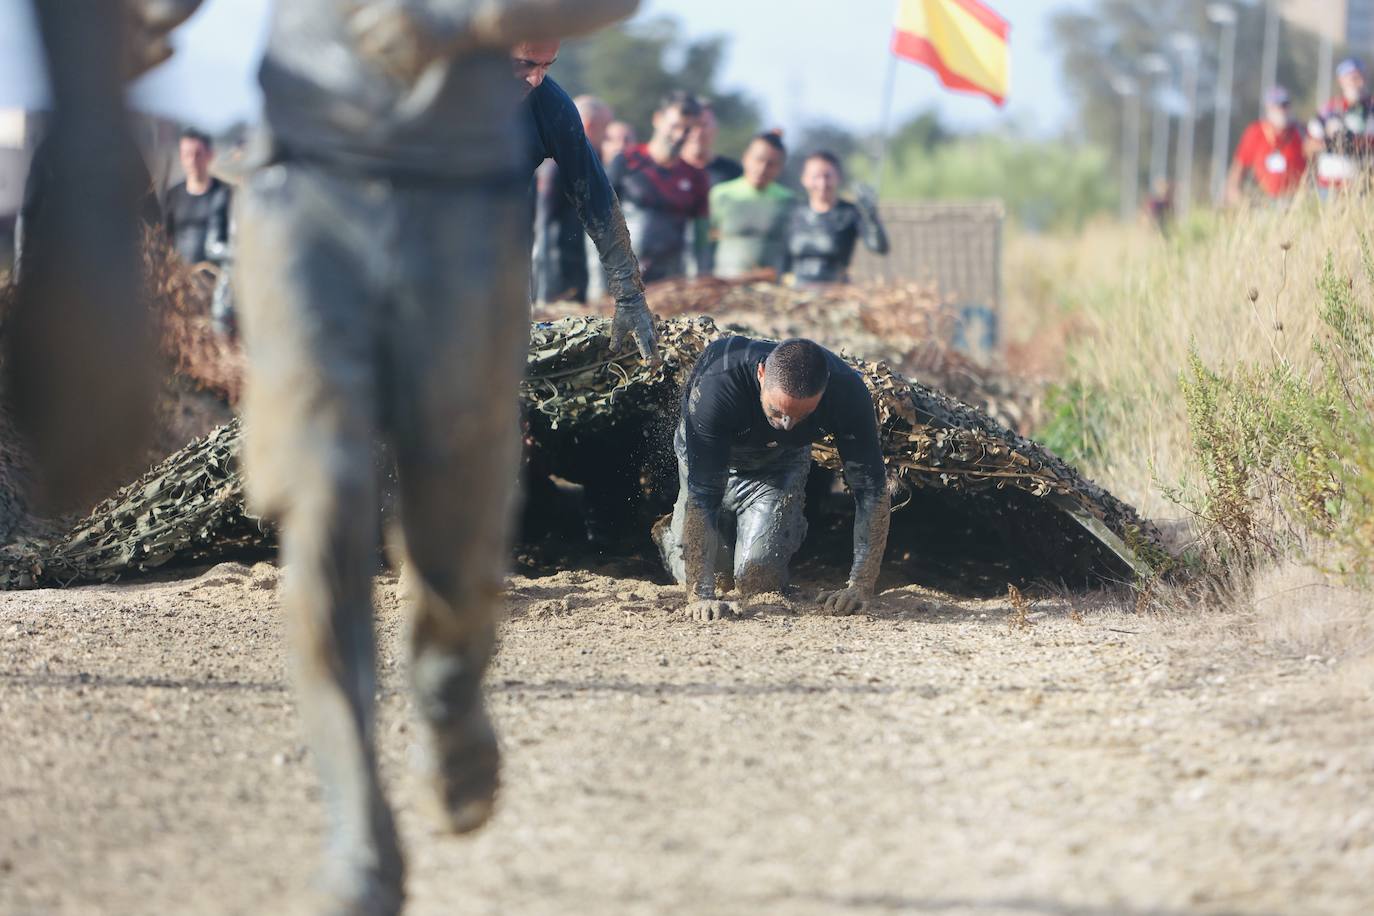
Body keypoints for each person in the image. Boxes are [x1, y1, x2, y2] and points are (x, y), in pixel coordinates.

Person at [234, 3, 640, 914]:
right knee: (322, 499)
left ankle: (451, 685)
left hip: (464, 214)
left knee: (454, 533)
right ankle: (358, 839)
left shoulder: (548, 105)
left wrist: (461, 17)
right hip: (302, 183)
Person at [654, 336, 891, 622]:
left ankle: (789, 527)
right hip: (708, 457)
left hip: (778, 466)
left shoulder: (847, 391)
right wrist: (700, 594)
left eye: (801, 415)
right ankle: (672, 537)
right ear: (761, 373)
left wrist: (861, 585)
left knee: (757, 579)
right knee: (715, 578)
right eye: (777, 411)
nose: (786, 425)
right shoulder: (718, 382)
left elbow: (872, 490)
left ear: (825, 388)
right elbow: (703, 494)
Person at [519, 42, 653, 348]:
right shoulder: (439, 87)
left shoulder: (550, 104)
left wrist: (629, 295)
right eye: (525, 65)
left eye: (547, 66)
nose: (536, 78)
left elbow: (596, 196)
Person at [606, 91, 710, 283]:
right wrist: (598, 285)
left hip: (671, 281)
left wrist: (700, 278)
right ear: (658, 119)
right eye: (675, 126)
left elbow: (700, 238)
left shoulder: (696, 177)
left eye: (687, 129)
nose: (680, 136)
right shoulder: (626, 163)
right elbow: (599, 222)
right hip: (623, 275)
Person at [163, 127, 236, 334]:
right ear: (181, 157)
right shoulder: (173, 196)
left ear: (209, 156)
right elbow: (165, 240)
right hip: (181, 289)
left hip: (217, 293)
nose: (192, 160)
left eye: (198, 154)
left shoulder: (225, 194)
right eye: (187, 154)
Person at [784, 151, 888, 285]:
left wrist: (871, 216)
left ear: (838, 178)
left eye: (827, 176)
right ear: (804, 179)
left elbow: (879, 248)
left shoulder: (849, 212)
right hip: (796, 292)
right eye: (816, 177)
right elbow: (781, 258)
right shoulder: (794, 213)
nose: (822, 184)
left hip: (835, 291)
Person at [709, 131, 795, 278]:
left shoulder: (788, 201)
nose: (762, 169)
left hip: (769, 288)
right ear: (746, 158)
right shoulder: (721, 195)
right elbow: (705, 240)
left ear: (780, 168)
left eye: (771, 164)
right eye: (758, 160)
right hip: (724, 284)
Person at [1227, 86, 1307, 205]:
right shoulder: (1255, 132)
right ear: (1268, 108)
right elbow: (1238, 168)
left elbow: (1314, 162)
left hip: (1295, 201)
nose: (1282, 110)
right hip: (1263, 201)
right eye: (1277, 106)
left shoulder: (1302, 131)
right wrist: (1235, 194)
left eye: (1285, 105)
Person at [1306, 57, 1374, 194]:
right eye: (1352, 78)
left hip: (1364, 182)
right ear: (1341, 80)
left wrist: (1358, 144)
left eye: (1360, 77)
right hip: (1330, 184)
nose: (1357, 82)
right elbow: (1309, 145)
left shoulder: (1371, 107)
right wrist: (1332, 144)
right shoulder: (1328, 110)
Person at [682, 104, 743, 187]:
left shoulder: (733, 172)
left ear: (715, 129)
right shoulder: (668, 170)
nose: (698, 133)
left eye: (704, 125)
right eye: (693, 124)